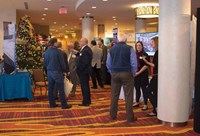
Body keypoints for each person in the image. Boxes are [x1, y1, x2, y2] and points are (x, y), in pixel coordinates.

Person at [106, 34, 138, 122]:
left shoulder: (111, 49)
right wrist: (133, 72)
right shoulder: (129, 49)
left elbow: (108, 63)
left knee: (114, 95)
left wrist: (111, 72)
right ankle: (129, 117)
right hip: (127, 73)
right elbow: (133, 63)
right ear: (126, 40)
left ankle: (112, 115)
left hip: (115, 74)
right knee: (128, 96)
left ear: (118, 40)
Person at [44, 38, 72, 109]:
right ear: (54, 43)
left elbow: (45, 63)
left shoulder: (46, 52)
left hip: (49, 72)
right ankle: (64, 104)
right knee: (61, 89)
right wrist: (64, 71)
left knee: (51, 89)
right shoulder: (58, 52)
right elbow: (62, 64)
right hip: (57, 71)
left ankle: (52, 104)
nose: (57, 43)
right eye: (56, 42)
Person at [142, 37, 158, 116]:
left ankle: (156, 107)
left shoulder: (158, 52)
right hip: (156, 76)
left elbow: (155, 65)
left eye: (152, 42)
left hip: (156, 76)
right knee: (154, 93)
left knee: (147, 91)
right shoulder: (157, 52)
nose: (151, 44)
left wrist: (146, 62)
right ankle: (155, 110)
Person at [133, 41, 150, 111]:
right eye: (137, 46)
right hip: (136, 75)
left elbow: (146, 66)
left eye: (139, 45)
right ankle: (137, 102)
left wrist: (138, 72)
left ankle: (145, 104)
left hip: (143, 75)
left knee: (144, 90)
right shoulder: (134, 55)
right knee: (137, 89)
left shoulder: (145, 55)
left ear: (142, 46)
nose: (138, 47)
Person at [76, 37, 93, 106]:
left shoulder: (86, 50)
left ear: (85, 42)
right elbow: (81, 57)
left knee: (84, 87)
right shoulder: (84, 49)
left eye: (80, 41)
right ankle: (87, 100)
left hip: (84, 72)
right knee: (85, 86)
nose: (79, 42)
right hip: (84, 71)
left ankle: (85, 102)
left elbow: (85, 62)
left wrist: (79, 68)